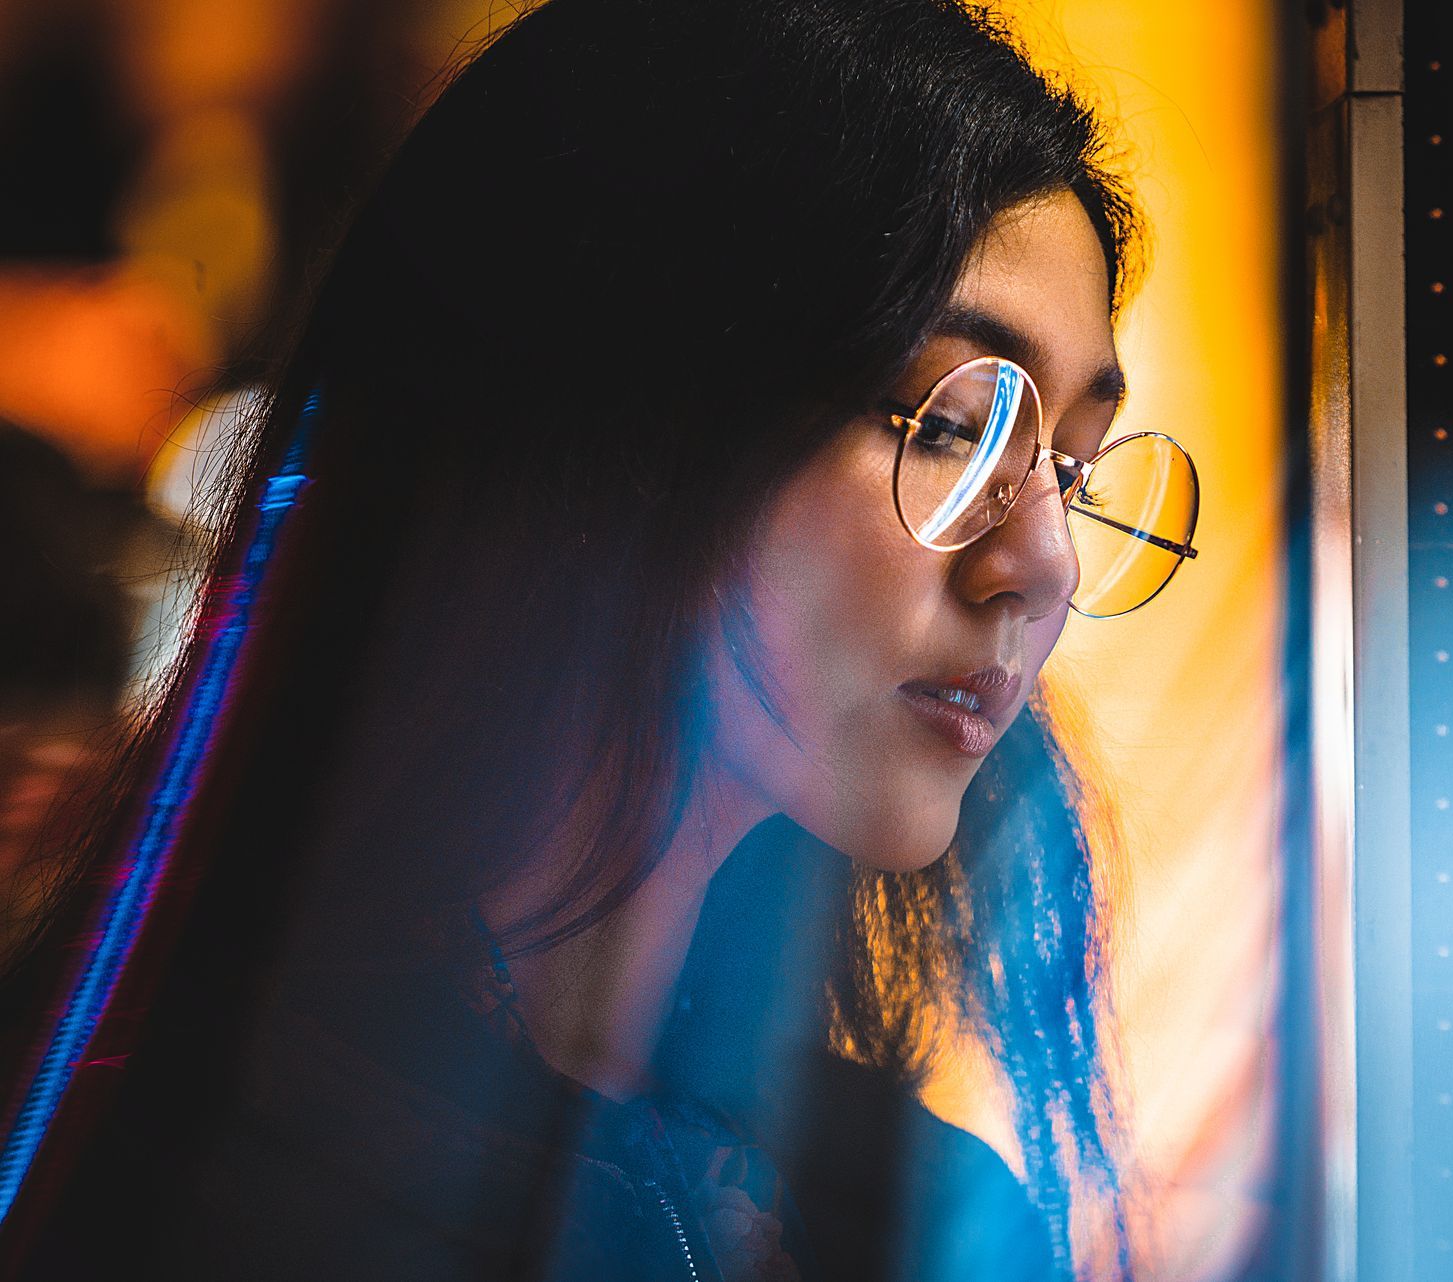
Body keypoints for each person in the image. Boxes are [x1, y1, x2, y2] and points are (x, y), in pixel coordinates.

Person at [0, 0, 1200, 1277]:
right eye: (957, 425)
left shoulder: (923, 1219)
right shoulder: (169, 1163)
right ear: (633, 412)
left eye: (1067, 468)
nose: (1040, 567)